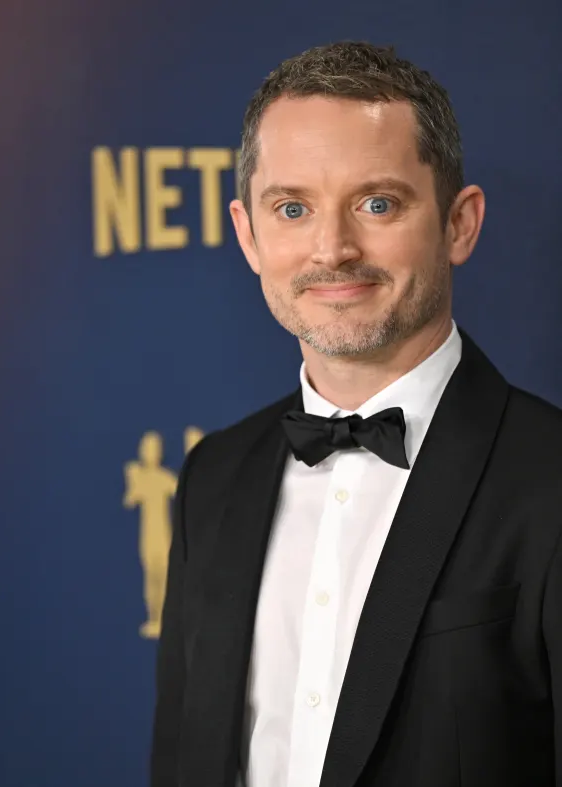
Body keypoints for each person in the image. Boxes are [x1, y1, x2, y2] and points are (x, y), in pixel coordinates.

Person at [150, 41, 562, 787]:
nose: (333, 249)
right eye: (293, 208)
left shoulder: (551, 476)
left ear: (459, 223)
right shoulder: (213, 476)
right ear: (248, 234)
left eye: (378, 203)